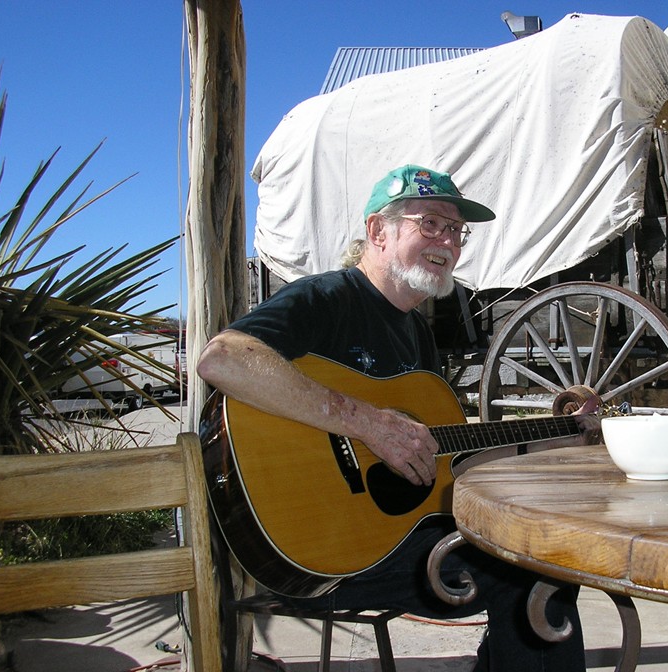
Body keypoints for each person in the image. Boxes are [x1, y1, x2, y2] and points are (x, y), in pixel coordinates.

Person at [197, 164, 588, 671]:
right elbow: (222, 358)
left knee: (549, 547)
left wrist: (556, 438)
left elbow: (447, 459)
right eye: (431, 223)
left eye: (456, 231)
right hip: (319, 553)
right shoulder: (327, 298)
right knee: (529, 569)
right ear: (378, 231)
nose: (447, 240)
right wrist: (366, 423)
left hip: (395, 539)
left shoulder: (418, 334)